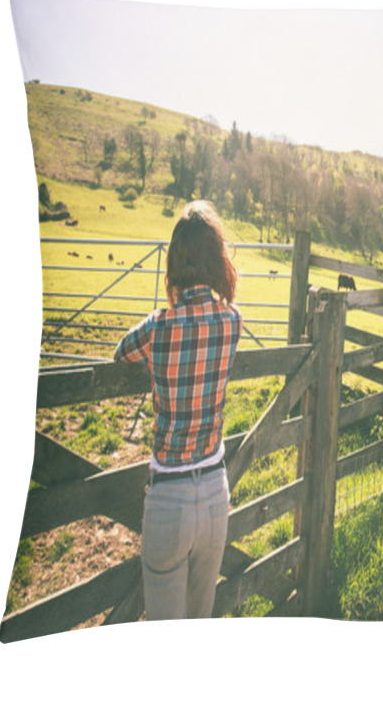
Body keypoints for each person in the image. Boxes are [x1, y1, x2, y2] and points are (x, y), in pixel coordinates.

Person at [114, 200, 242, 620]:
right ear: (216, 260)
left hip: (169, 496)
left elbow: (120, 354)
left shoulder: (158, 326)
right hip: (214, 493)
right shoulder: (231, 322)